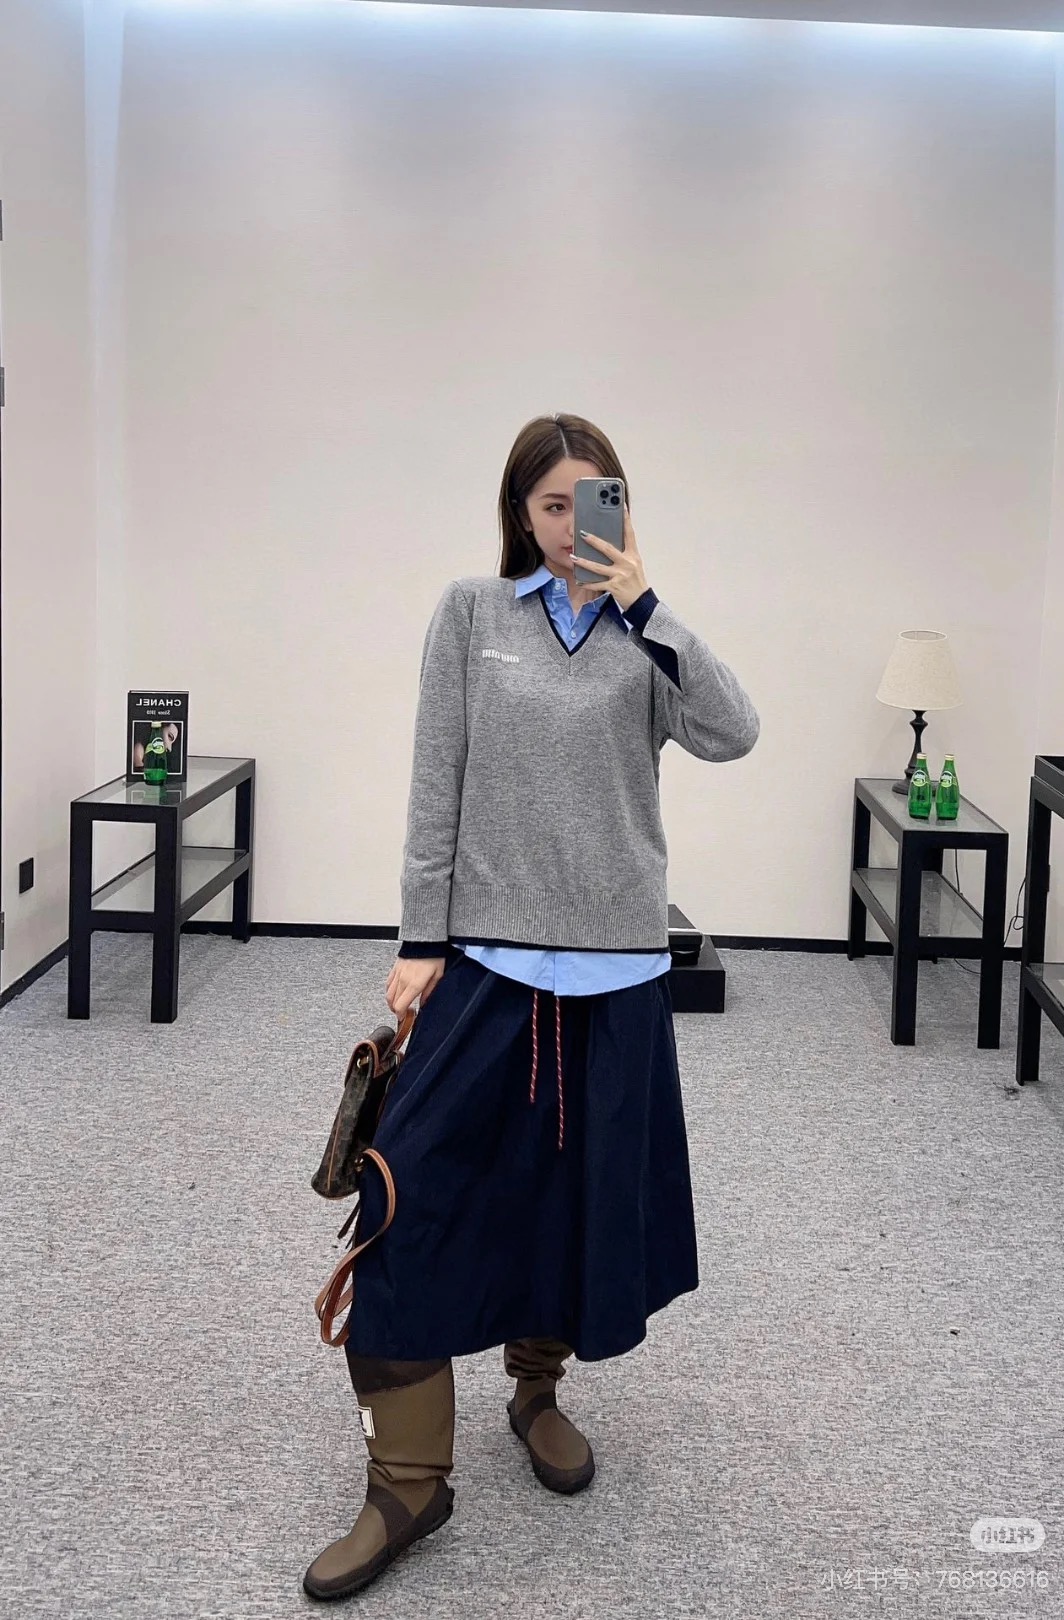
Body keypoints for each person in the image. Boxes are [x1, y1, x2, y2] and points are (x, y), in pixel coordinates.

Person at [303, 412, 760, 1602]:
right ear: (520, 512)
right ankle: (408, 1482)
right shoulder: (472, 616)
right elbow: (434, 781)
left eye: (596, 501)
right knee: (404, 1198)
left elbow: (735, 732)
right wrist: (420, 937)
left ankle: (536, 1390)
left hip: (616, 979)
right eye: (554, 504)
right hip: (487, 972)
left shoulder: (644, 638)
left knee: (573, 1201)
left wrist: (649, 606)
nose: (572, 526)